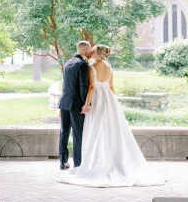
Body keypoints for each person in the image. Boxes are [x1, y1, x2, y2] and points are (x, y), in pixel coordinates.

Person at [57, 44, 165, 187]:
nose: (91, 52)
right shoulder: (109, 68)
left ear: (96, 53)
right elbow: (112, 87)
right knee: (112, 131)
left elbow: (90, 87)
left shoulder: (89, 67)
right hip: (108, 100)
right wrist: (114, 104)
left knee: (94, 131)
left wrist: (86, 103)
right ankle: (113, 162)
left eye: (93, 51)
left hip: (96, 99)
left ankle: (87, 162)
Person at [58, 40, 91, 170]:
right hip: (76, 104)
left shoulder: (68, 63)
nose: (90, 52)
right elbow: (83, 86)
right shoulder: (83, 65)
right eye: (88, 50)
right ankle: (78, 164)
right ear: (83, 49)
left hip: (64, 102)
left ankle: (63, 162)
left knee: (64, 132)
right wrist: (86, 103)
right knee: (78, 133)